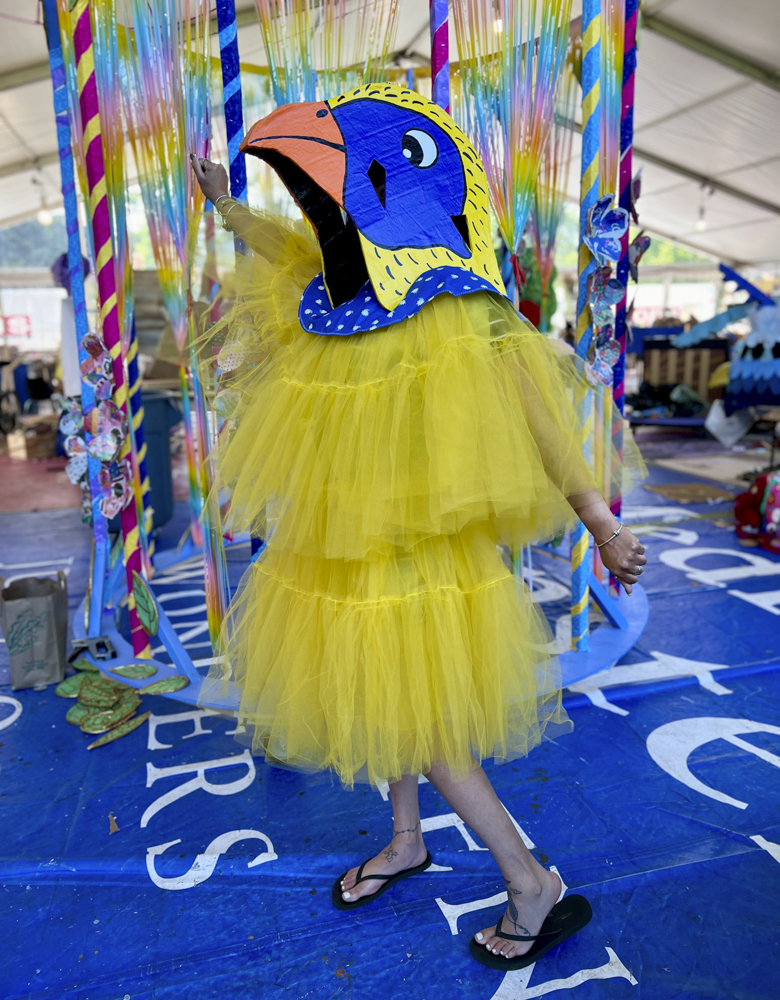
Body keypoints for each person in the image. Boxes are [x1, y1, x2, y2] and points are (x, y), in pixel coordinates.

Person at [190, 84, 646, 971]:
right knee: (384, 693)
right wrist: (228, 206)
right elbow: (283, 249)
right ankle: (406, 842)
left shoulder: (462, 305)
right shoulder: (331, 295)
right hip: (349, 547)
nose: (327, 212)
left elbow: (539, 417)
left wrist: (597, 519)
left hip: (417, 555)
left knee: (421, 717)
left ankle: (530, 883)